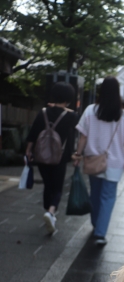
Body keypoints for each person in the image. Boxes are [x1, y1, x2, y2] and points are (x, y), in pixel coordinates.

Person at [73, 76, 124, 245]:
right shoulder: (123, 115)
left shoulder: (90, 111)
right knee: (108, 197)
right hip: (115, 163)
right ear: (117, 93)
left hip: (94, 160)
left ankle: (96, 224)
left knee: (95, 195)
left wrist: (78, 154)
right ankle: (100, 233)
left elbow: (83, 136)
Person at [25, 82, 79, 234]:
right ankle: (51, 212)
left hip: (41, 156)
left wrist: (28, 151)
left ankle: (47, 211)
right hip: (59, 157)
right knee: (57, 187)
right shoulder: (71, 116)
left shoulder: (43, 112)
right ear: (69, 98)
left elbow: (33, 133)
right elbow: (79, 126)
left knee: (48, 185)